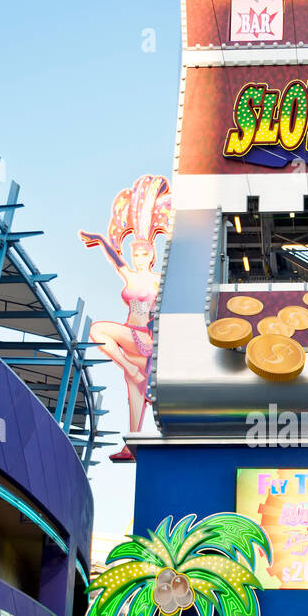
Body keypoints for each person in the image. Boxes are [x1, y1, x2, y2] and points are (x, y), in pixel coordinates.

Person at [80, 174, 171, 454]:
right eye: (135, 253)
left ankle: (131, 368)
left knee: (98, 330)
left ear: (151, 255)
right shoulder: (129, 276)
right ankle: (131, 446)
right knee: (134, 391)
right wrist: (98, 239)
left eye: (143, 254)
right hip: (132, 343)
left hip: (141, 337)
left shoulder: (158, 280)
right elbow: (114, 256)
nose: (137, 257)